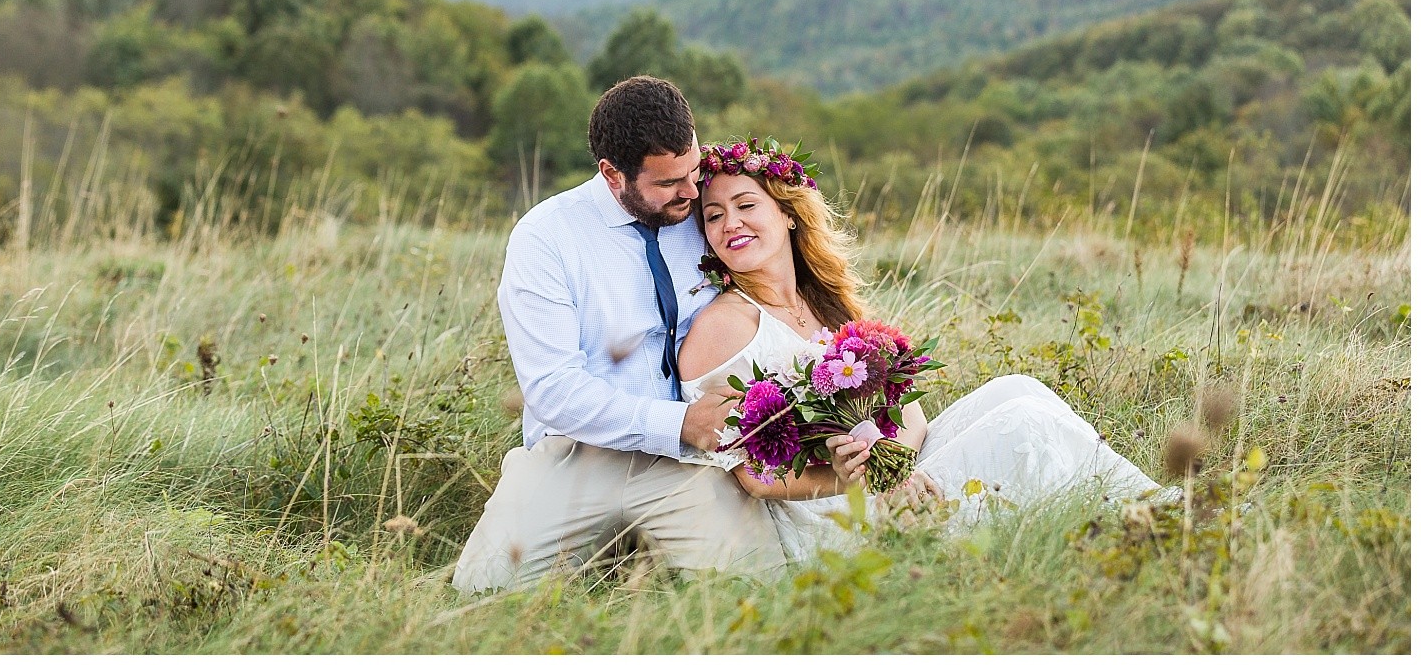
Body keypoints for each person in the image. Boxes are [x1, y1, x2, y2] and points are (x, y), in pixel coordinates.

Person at [677, 135, 1172, 561]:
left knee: (1017, 387)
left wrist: (896, 471)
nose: (730, 225)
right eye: (714, 216)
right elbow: (754, 477)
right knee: (1024, 422)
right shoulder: (723, 326)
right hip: (825, 518)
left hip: (884, 481)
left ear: (787, 214)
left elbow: (910, 418)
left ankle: (1152, 508)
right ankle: (1158, 519)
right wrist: (860, 482)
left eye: (746, 206)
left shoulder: (823, 305)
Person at [451, 79, 786, 593]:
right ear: (612, 174)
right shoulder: (547, 238)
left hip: (689, 463)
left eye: (694, 170)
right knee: (484, 596)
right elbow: (553, 390)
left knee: (760, 590)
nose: (692, 193)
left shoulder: (704, 211)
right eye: (670, 182)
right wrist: (679, 422)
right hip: (575, 458)